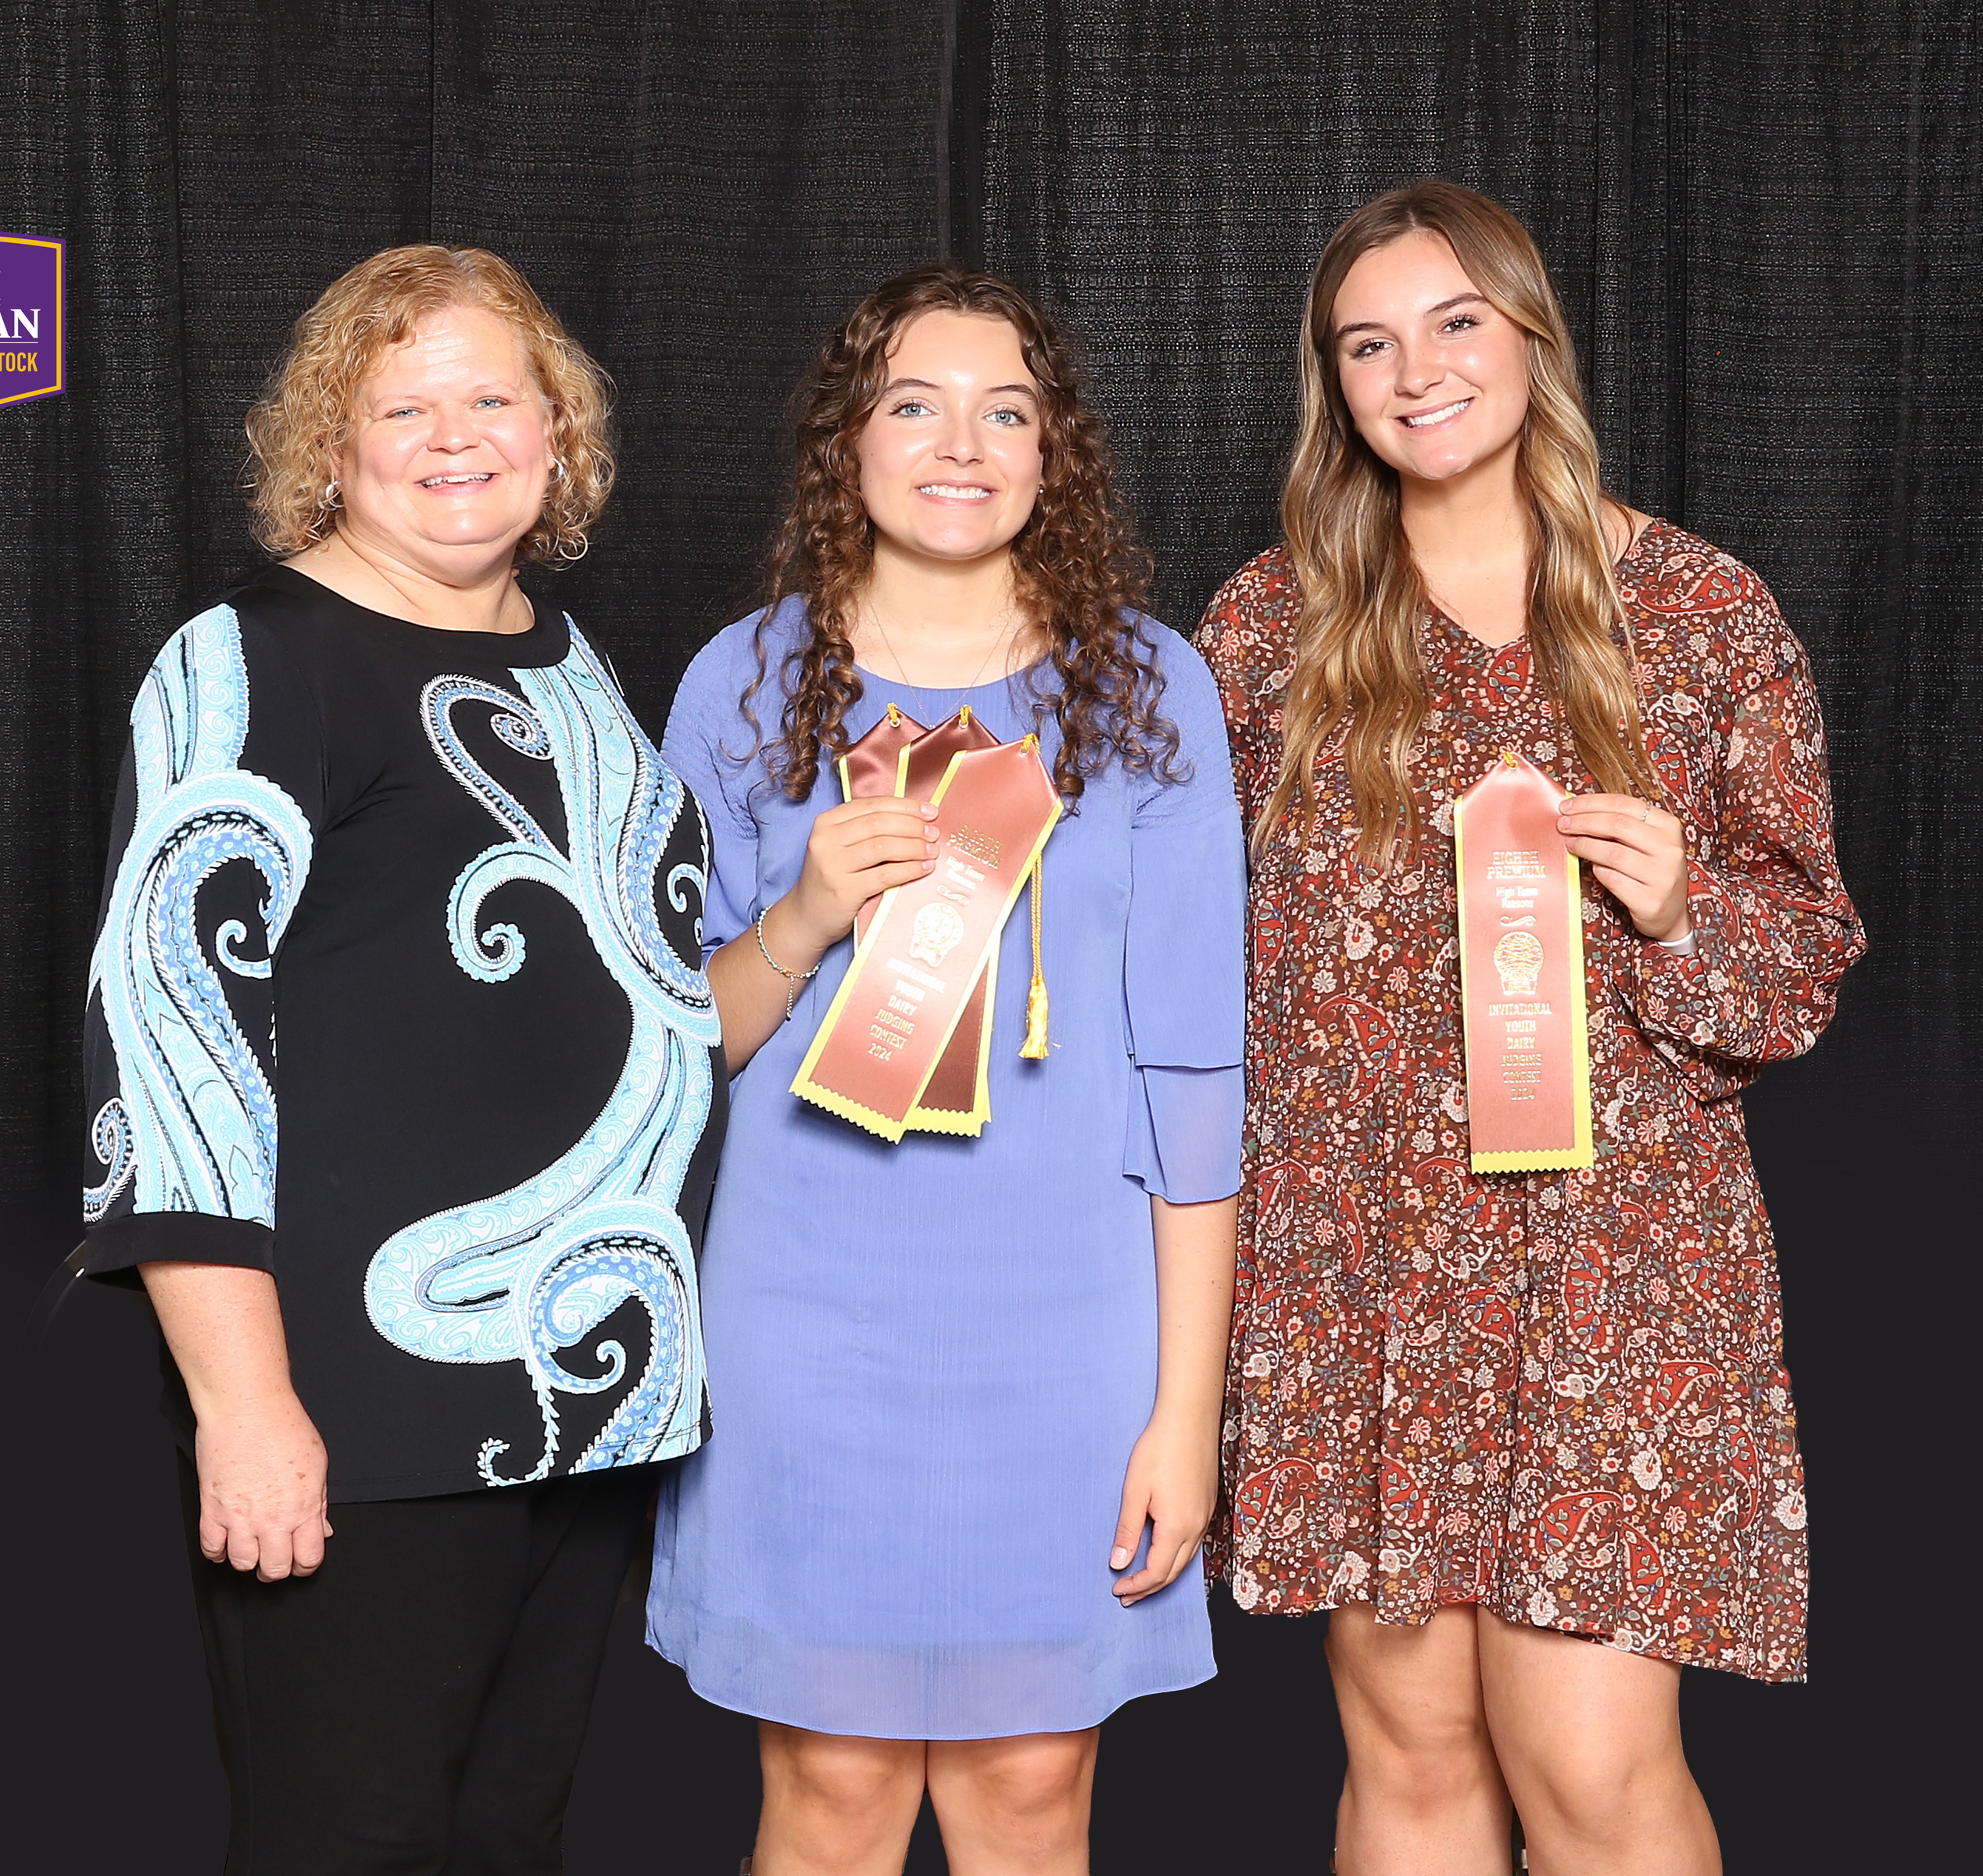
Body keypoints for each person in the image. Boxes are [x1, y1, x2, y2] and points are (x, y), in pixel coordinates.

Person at [1198, 182, 1866, 1876]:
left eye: (1454, 324)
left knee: (1588, 1761)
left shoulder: (1702, 619)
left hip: (1614, 1264)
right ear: (1331, 382)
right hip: (1360, 1259)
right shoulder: (1266, 634)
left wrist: (1685, 905)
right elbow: (1176, 948)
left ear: (1530, 338)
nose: (1414, 371)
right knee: (1410, 1752)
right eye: (1369, 343)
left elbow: (1802, 960)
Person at [77, 243, 724, 1875]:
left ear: (557, 431)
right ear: (330, 446)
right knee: (348, 1844)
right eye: (403, 405)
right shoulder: (253, 663)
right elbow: (167, 1044)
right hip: (359, 1406)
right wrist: (246, 1406)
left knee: (509, 1832)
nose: (456, 437)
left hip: (586, 1387)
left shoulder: (569, 666)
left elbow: (652, 993)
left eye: (493, 396)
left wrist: (805, 935)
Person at [646, 264, 1245, 1876]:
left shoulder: (1150, 690)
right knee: (830, 1799)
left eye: (1007, 409)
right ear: (851, 443)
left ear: (1058, 453)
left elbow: (1195, 1078)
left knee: (1031, 1794)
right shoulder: (745, 684)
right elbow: (676, 1039)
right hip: (809, 1328)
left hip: (1068, 1340)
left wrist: (1185, 1414)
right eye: (914, 404)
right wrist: (809, 910)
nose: (960, 443)